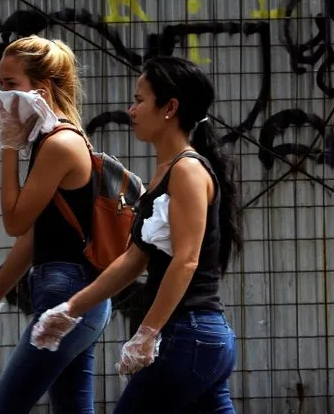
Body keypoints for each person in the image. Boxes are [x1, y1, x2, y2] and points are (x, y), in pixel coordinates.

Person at [29, 55, 242, 413]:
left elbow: (186, 260)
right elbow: (133, 259)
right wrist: (69, 309)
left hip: (187, 335)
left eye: (140, 100)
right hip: (201, 340)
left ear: (169, 108)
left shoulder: (187, 171)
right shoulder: (165, 173)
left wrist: (147, 334)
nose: (132, 110)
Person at [0, 35, 112, 413]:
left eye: (11, 85)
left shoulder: (59, 143)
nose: (1, 95)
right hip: (74, 295)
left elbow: (14, 221)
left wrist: (9, 144)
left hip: (69, 293)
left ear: (39, 90)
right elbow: (32, 238)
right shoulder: (52, 141)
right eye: (0, 83)